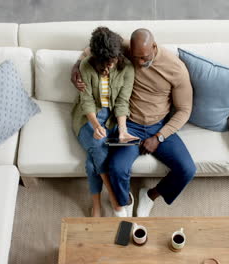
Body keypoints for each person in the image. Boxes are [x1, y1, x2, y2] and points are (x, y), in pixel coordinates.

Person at [71, 28, 196, 217]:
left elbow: (185, 110)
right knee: (116, 167)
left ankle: (150, 195)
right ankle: (124, 201)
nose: (139, 63)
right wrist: (76, 66)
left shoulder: (176, 69)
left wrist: (159, 137)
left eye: (144, 57)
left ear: (154, 46)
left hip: (159, 126)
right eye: (135, 57)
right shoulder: (126, 50)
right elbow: (94, 49)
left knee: (187, 169)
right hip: (130, 124)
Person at [71, 27, 138, 217]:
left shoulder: (127, 68)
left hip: (112, 119)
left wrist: (123, 130)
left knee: (93, 161)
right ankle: (116, 200)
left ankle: (97, 205)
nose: (109, 68)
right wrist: (96, 125)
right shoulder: (86, 66)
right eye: (104, 64)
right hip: (87, 117)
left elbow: (123, 102)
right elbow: (86, 101)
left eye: (112, 62)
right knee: (98, 145)